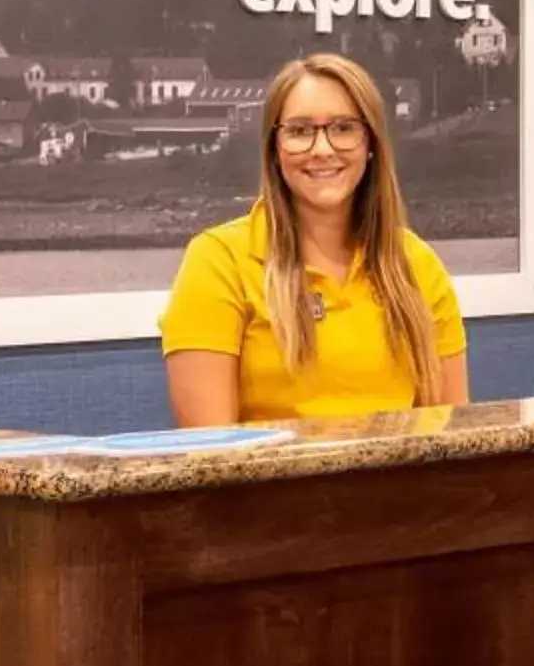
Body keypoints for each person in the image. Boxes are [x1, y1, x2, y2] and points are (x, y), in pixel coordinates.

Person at [161, 52, 471, 425]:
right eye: (299, 131)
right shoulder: (217, 261)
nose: (322, 149)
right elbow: (208, 455)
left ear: (370, 143)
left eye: (343, 128)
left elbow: (452, 439)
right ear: (275, 149)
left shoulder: (418, 264)